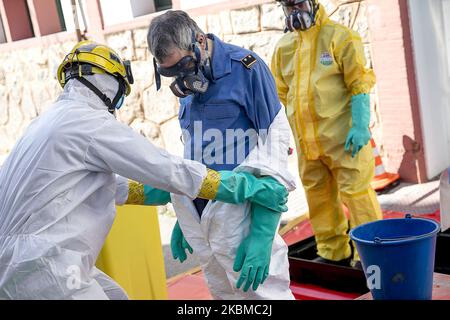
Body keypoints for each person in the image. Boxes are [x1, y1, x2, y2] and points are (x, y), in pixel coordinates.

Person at [0, 41, 289, 299]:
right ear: (111, 85)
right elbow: (166, 168)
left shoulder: (44, 124)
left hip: (24, 261)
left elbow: (111, 186)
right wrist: (246, 187)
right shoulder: (90, 124)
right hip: (46, 266)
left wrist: (184, 205)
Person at [143, 10, 296, 299]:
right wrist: (187, 210)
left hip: (244, 212)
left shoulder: (246, 69)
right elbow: (195, 151)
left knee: (264, 296)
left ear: (199, 40)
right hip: (204, 216)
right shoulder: (190, 86)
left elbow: (275, 150)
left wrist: (263, 233)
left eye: (184, 66)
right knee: (224, 296)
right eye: (170, 73)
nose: (182, 79)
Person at [271, 0, 383, 267]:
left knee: (357, 196)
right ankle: (333, 252)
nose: (294, 12)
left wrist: (359, 125)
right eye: (288, 7)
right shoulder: (284, 48)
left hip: (344, 141)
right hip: (307, 145)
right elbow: (279, 96)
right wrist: (279, 137)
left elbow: (359, 83)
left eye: (298, 4)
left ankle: (370, 254)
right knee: (319, 198)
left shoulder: (340, 38)